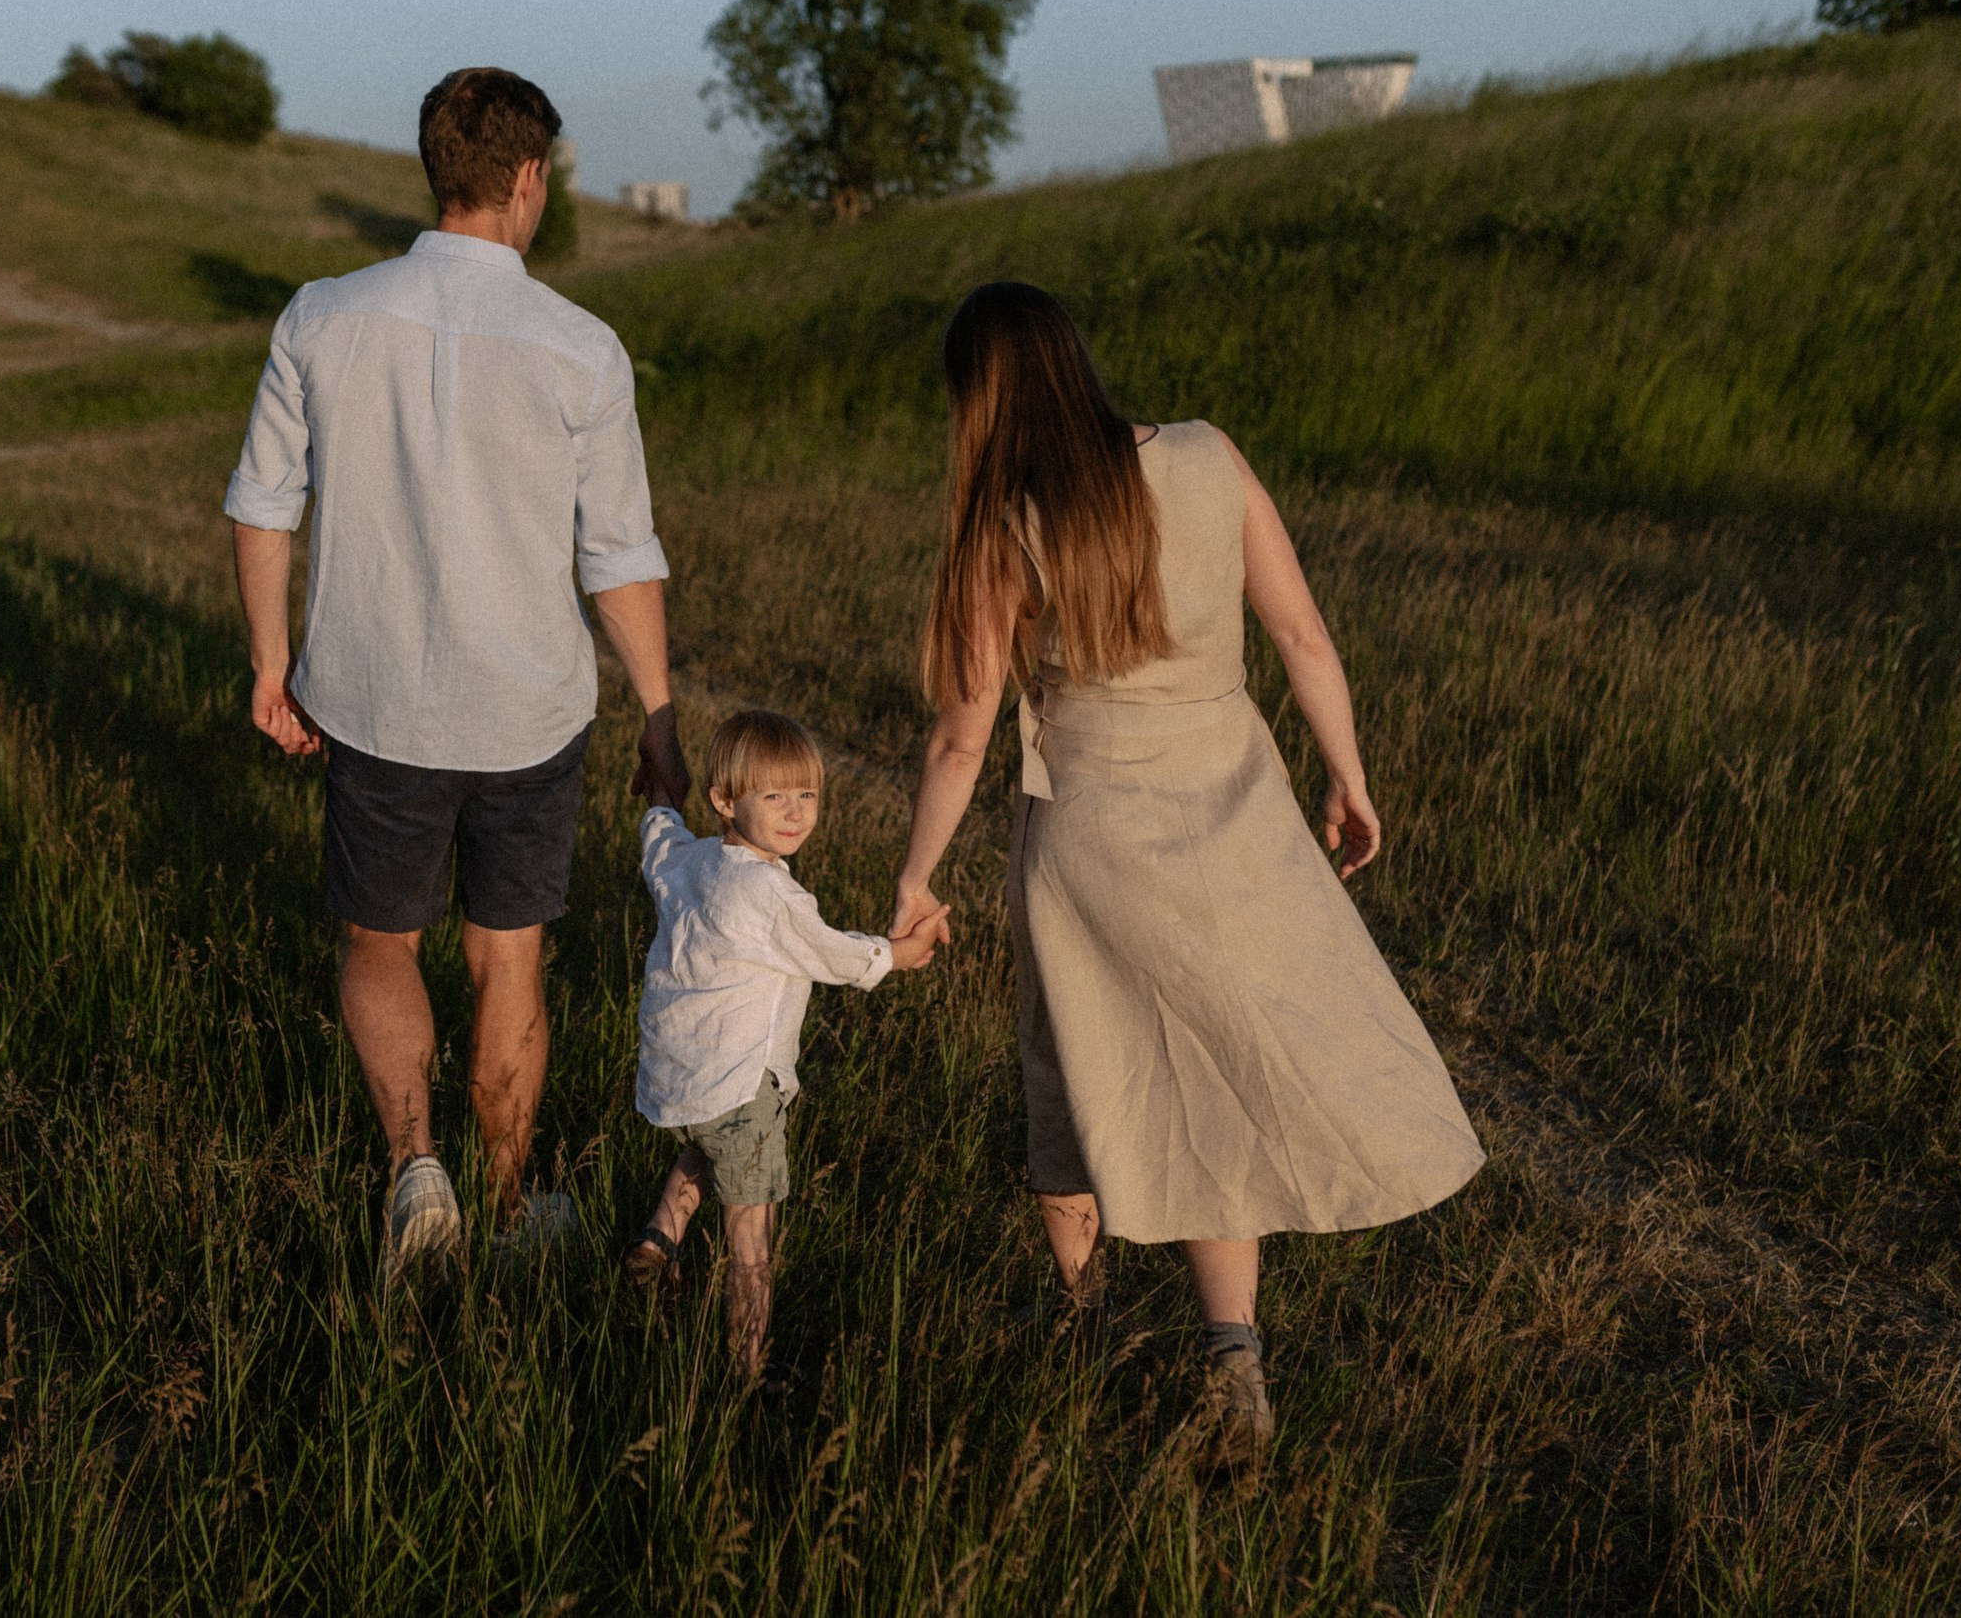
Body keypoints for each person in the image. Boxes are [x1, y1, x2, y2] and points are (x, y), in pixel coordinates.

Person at [889, 282, 1485, 1468]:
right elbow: (1302, 635)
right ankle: (1230, 1351)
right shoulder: (1210, 455)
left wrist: (913, 876)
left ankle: (1080, 1328)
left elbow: (963, 731)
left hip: (1088, 827)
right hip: (1232, 798)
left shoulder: (1007, 519)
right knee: (1212, 1063)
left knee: (1079, 1064)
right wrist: (1348, 776)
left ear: (983, 395)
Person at [224, 67, 693, 1288]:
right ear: (529, 178)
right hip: (527, 712)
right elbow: (618, 553)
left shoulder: (320, 315)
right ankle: (502, 1205)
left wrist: (273, 664)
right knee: (508, 959)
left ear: (437, 167)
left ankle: (413, 1168)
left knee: (379, 944)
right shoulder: (581, 348)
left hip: (371, 701)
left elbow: (264, 507)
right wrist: (658, 712)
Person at [622, 711, 945, 1386]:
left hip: (680, 1077)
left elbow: (659, 838)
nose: (796, 812)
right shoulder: (770, 892)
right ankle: (746, 1369)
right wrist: (900, 953)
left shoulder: (689, 860)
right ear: (725, 800)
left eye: (807, 795)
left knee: (710, 1140)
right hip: (741, 1081)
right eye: (774, 796)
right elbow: (833, 953)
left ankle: (659, 1237)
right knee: (752, 1238)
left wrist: (657, 795)